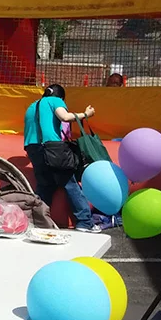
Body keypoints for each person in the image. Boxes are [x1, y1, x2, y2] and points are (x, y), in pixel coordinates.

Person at [23, 84, 100, 233]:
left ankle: (38, 221)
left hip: (33, 149)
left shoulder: (32, 107)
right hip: (53, 148)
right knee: (70, 183)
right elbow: (64, 117)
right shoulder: (55, 100)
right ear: (61, 97)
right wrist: (86, 114)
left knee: (45, 185)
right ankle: (85, 222)